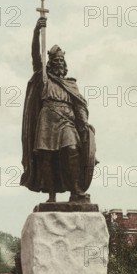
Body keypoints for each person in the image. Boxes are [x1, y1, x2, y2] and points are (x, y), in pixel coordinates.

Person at [20, 17, 95, 203]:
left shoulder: (71, 84)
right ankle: (51, 195)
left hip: (67, 122)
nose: (60, 63)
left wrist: (84, 123)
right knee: (47, 157)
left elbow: (79, 106)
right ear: (51, 62)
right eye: (57, 60)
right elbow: (35, 56)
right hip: (47, 120)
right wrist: (36, 31)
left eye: (62, 60)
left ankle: (76, 190)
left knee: (72, 150)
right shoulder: (44, 78)